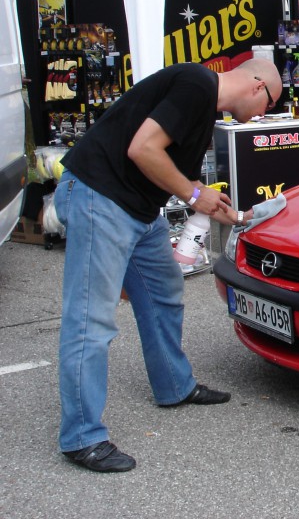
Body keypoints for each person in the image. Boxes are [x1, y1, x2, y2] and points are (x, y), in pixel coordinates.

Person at [54, 57, 282, 473]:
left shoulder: (203, 107)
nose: (264, 114)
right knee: (91, 320)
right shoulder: (197, 84)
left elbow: (168, 172)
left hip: (136, 209)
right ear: (255, 85)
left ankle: (174, 386)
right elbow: (142, 148)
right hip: (99, 197)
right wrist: (197, 197)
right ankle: (81, 438)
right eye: (270, 102)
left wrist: (218, 207)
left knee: (164, 295)